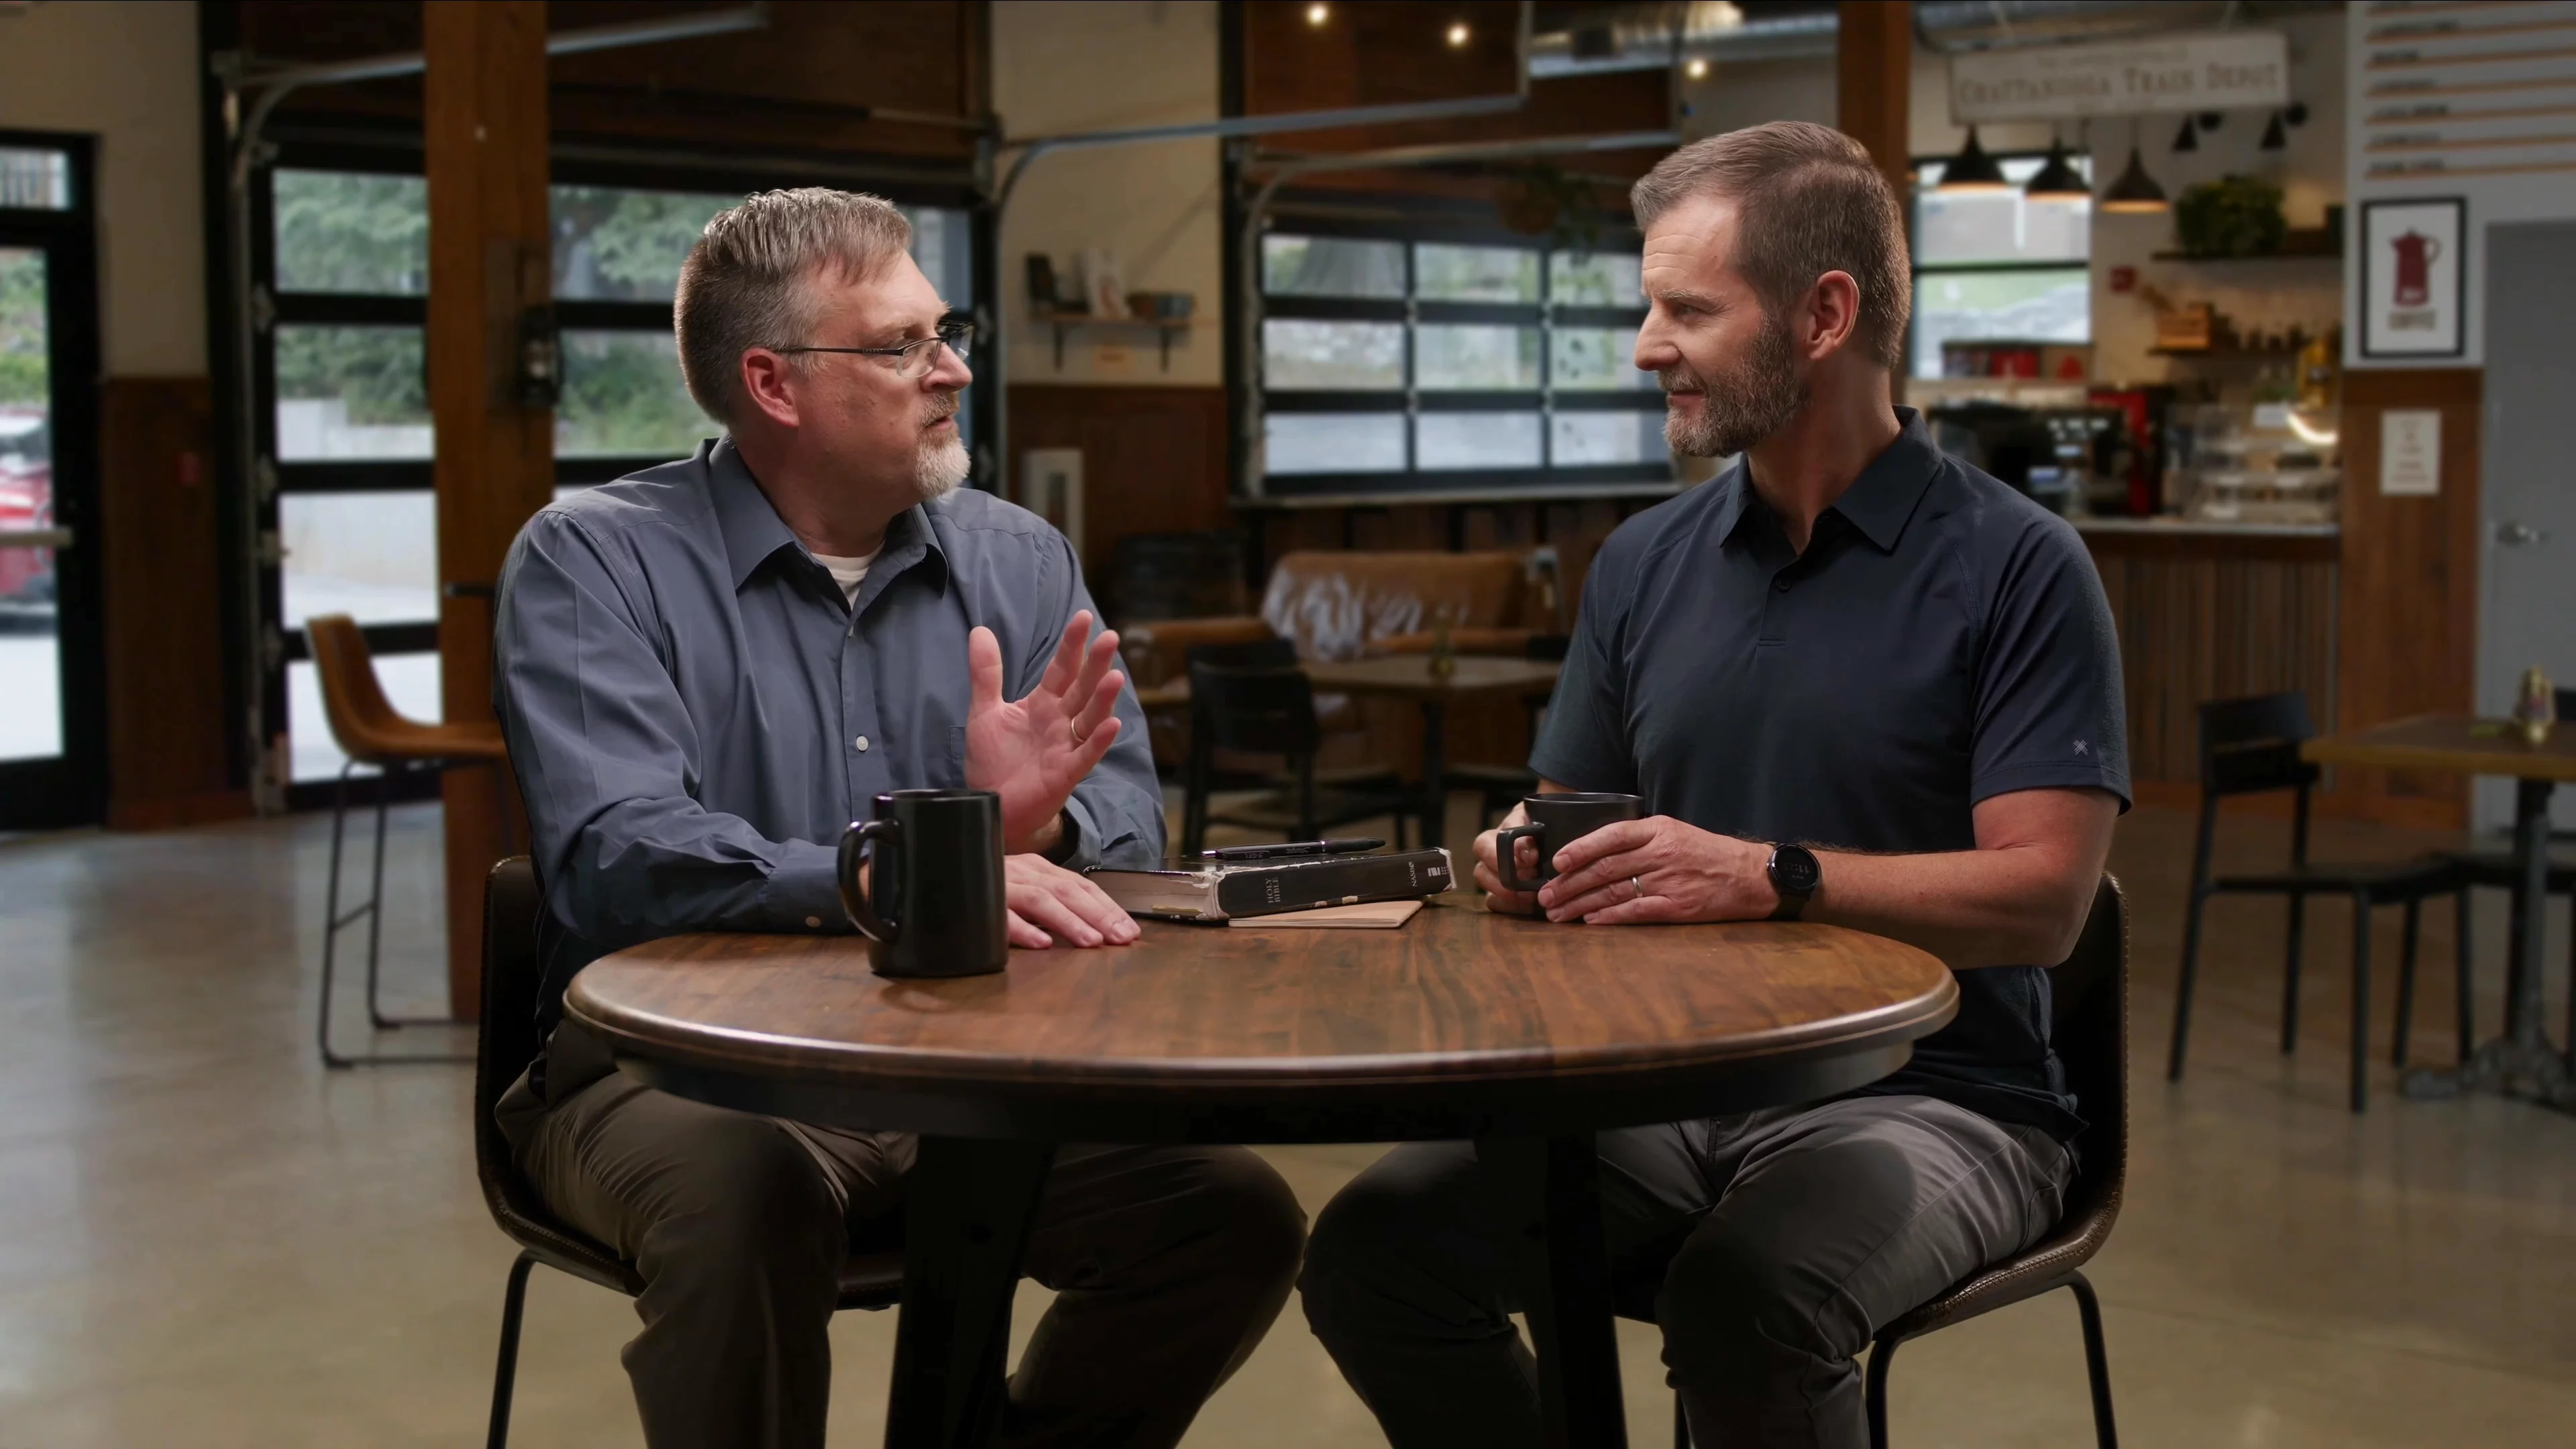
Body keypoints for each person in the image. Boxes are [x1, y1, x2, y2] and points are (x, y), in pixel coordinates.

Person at [1297, 121, 2127, 1448]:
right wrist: (1528, 855)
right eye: (1650, 307)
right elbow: (1566, 814)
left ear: (1824, 317)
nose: (1647, 346)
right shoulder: (1643, 562)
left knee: (1750, 1299)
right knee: (1375, 1253)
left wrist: (1767, 877)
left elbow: (2045, 904)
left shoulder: (2020, 567)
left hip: (1939, 1094)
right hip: (1661, 1087)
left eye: (1688, 310)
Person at [490, 188, 1304, 1449]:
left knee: (1230, 1216)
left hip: (976, 1077)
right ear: (774, 384)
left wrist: (1030, 833)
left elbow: (1128, 817)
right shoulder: (597, 560)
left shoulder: (1019, 559)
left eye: (946, 331)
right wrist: (912, 873)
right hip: (682, 1077)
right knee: (747, 1203)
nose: (953, 368)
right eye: (901, 345)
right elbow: (617, 853)